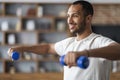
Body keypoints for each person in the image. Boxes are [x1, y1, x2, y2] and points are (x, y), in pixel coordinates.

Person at [8, 0, 120, 80]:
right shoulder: (69, 43)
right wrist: (22, 48)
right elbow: (47, 48)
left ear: (88, 18)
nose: (69, 21)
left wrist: (85, 53)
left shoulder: (98, 41)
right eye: (68, 16)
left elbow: (118, 50)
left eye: (75, 15)